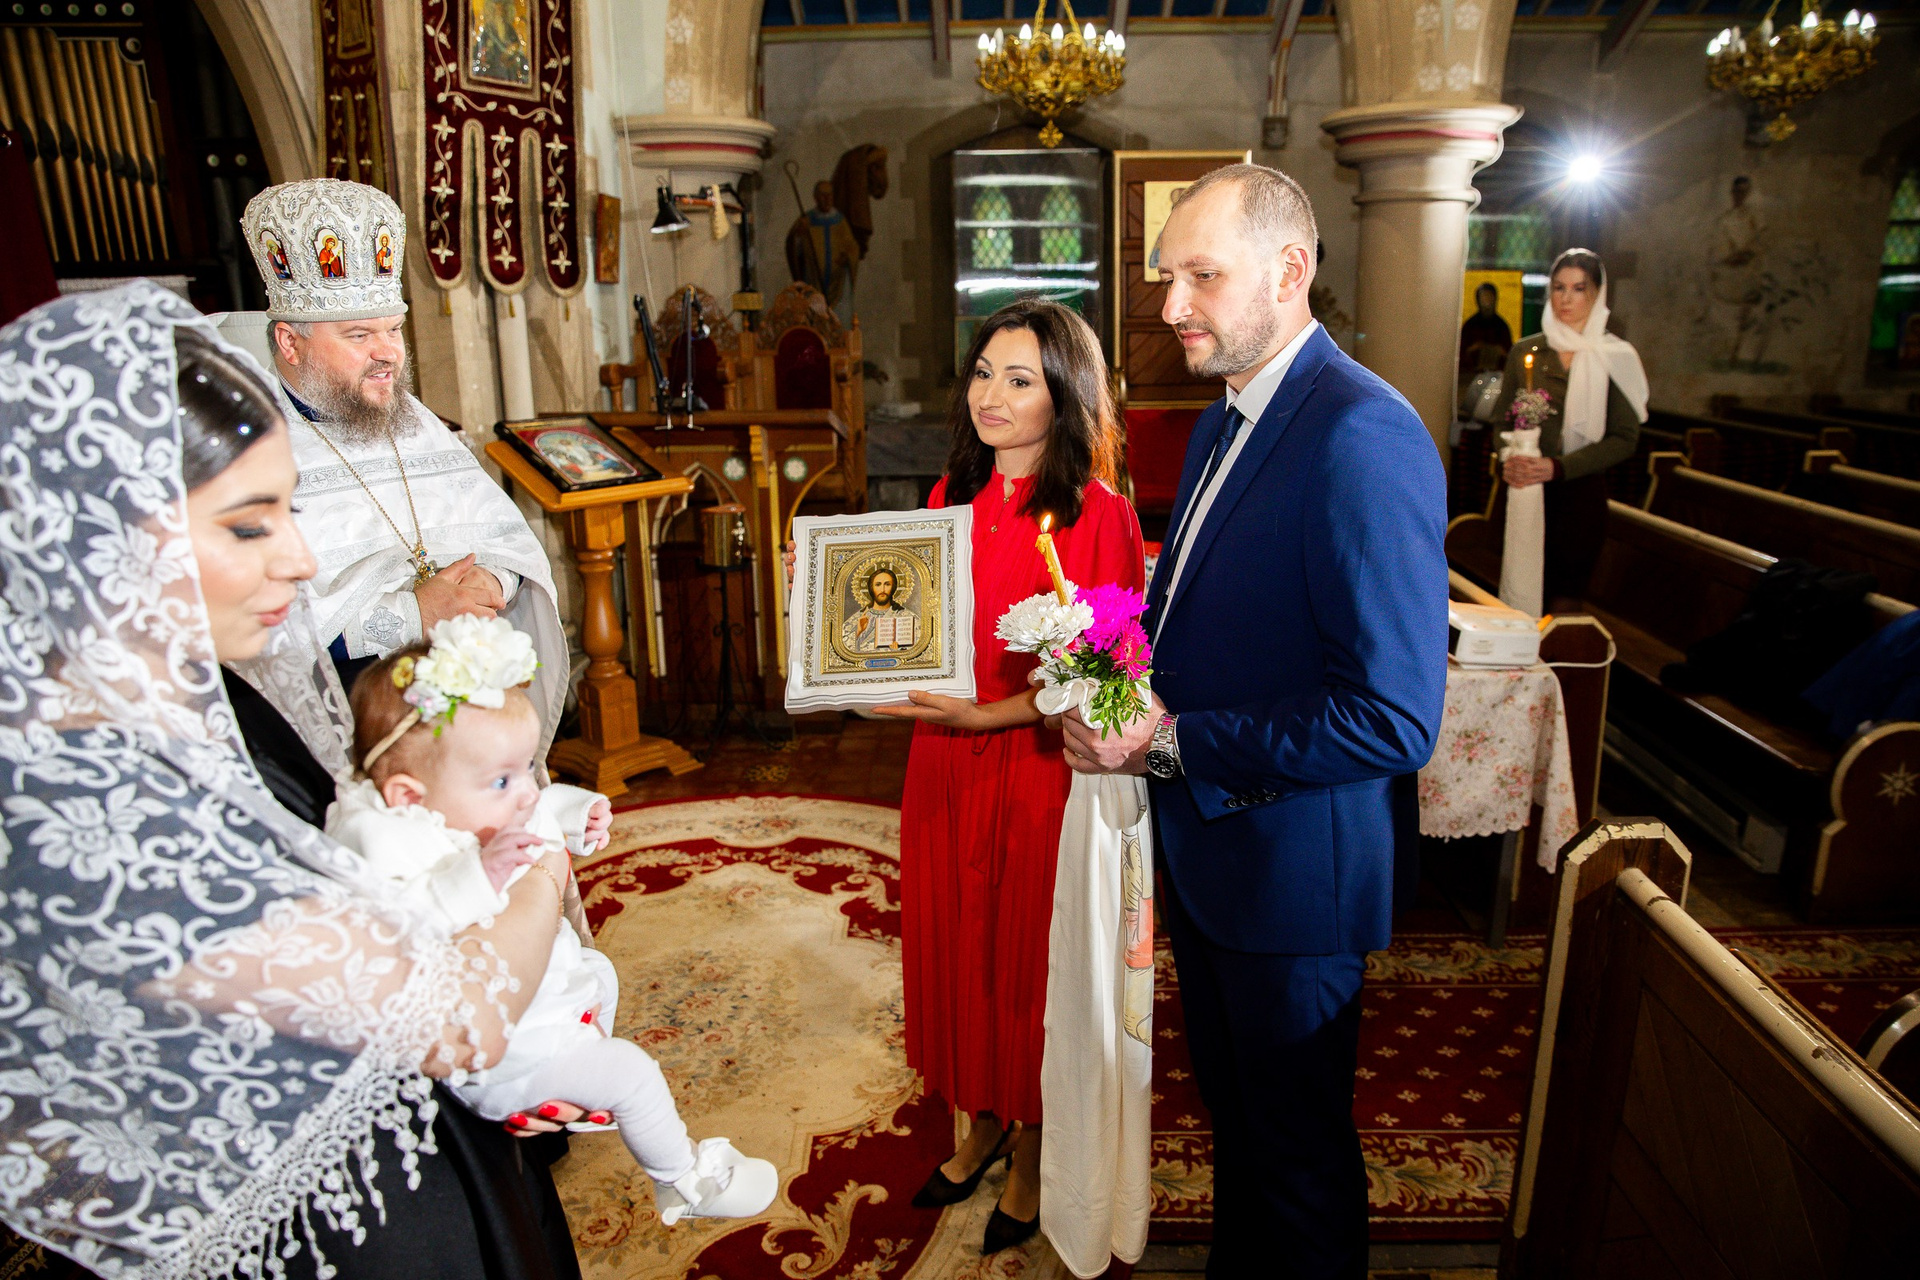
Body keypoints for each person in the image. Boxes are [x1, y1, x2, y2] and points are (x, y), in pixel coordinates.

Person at [0, 283, 589, 1279]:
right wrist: (537, 855)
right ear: (102, 534)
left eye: (289, 511)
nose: (302, 559)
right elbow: (459, 1017)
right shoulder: (90, 815)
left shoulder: (200, 695)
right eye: (249, 526)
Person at [1055, 164, 1448, 1278]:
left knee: (1297, 1159)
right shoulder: (1228, 415)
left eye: (1201, 276)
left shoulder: (1360, 432)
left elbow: (1392, 715)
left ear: (1289, 270)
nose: (1171, 305)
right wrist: (1111, 668)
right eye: (1165, 277)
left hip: (1296, 876)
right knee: (1242, 1129)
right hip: (1222, 856)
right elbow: (1201, 616)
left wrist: (1168, 742)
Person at [782, 298, 1143, 1255]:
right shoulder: (949, 496)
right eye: (984, 373)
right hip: (941, 767)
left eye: (1020, 379)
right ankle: (981, 1121)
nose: (992, 395)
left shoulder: (1100, 514)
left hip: (1037, 771)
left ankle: (1033, 1143)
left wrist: (989, 713)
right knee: (958, 953)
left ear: (1065, 395)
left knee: (1027, 967)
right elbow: (908, 643)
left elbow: (1109, 680)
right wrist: (828, 619)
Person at [328, 621, 779, 1225]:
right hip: (502, 1051)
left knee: (599, 971)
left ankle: (581, 1079)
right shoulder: (380, 839)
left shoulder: (465, 798)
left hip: (540, 1005)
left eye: (524, 770)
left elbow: (538, 806)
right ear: (408, 797)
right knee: (632, 1072)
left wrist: (579, 812)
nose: (525, 792)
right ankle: (684, 1182)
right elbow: (404, 920)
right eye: (502, 780)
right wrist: (478, 877)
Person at [231, 178, 568, 770]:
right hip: (343, 721)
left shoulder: (413, 421)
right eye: (359, 335)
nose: (388, 352)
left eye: (392, 329)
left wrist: (489, 582)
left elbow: (505, 538)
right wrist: (415, 614)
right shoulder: (244, 450)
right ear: (289, 341)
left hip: (459, 704)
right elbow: (255, 632)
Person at [1489, 247, 1648, 609]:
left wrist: (1557, 467)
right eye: (1559, 287)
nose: (1566, 298)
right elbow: (1502, 421)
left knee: (1562, 602)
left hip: (1579, 496)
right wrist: (1510, 457)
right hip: (1525, 488)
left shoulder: (1616, 356)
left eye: (1578, 289)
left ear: (1597, 294)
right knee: (1517, 597)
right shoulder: (1526, 351)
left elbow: (1625, 439)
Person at [841, 565, 915, 652]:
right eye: (878, 585)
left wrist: (897, 651)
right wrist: (858, 631)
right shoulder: (858, 618)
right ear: (871, 588)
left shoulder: (904, 616)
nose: (882, 590)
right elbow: (843, 649)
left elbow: (917, 648)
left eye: (887, 584)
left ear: (893, 587)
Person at [1459, 280, 1514, 382]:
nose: (1487, 300)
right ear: (1478, 299)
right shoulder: (1470, 325)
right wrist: (1473, 348)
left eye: (1489, 296)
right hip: (1471, 376)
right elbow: (1461, 353)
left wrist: (1500, 351)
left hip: (1497, 377)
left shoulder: (1501, 326)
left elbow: (1509, 354)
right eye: (1484, 297)